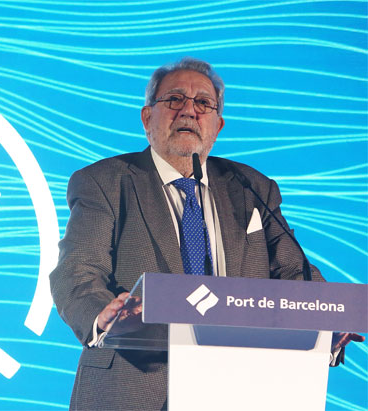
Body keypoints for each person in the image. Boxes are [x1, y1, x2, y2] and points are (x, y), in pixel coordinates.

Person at [49, 57, 363, 411]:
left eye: (203, 103)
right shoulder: (104, 181)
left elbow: (295, 273)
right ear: (147, 118)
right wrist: (102, 316)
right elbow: (77, 271)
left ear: (218, 125)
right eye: (174, 99)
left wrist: (326, 324)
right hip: (133, 387)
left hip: (241, 387)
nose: (189, 111)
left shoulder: (251, 187)